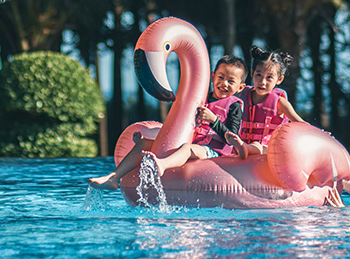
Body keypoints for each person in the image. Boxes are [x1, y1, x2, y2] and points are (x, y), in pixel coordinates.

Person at [89, 55, 247, 188]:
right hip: (194, 143)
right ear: (212, 77)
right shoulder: (200, 98)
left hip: (215, 151)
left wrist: (213, 120)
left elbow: (232, 136)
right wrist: (157, 141)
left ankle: (163, 165)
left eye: (231, 81)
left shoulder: (234, 106)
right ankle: (113, 178)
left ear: (240, 87)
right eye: (221, 77)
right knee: (145, 143)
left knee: (187, 148)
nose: (224, 83)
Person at [223, 45, 305, 159]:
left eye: (269, 77)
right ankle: (242, 147)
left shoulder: (280, 103)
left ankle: (246, 148)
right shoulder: (241, 96)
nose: (262, 81)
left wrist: (319, 133)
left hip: (266, 149)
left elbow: (300, 123)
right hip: (239, 144)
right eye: (259, 75)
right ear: (252, 73)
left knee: (258, 145)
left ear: (279, 80)